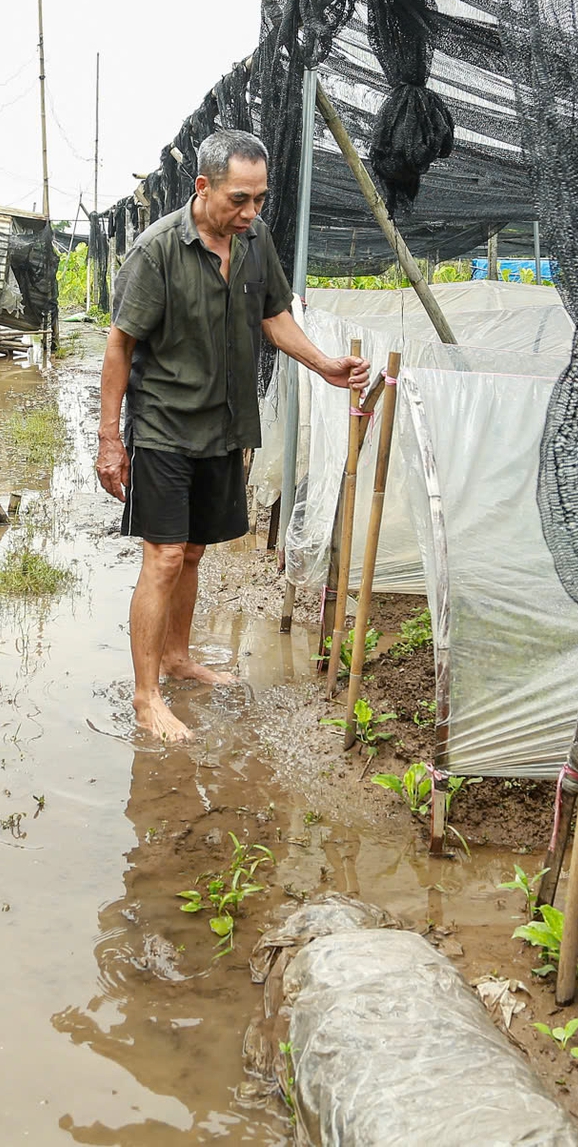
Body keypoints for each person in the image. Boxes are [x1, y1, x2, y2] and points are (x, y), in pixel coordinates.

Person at [98, 129, 367, 741]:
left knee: (194, 551)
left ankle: (177, 657)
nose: (250, 213)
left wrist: (324, 365)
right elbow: (121, 343)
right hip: (165, 425)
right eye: (239, 199)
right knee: (164, 556)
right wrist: (110, 438)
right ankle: (146, 698)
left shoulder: (255, 241)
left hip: (223, 425)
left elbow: (274, 316)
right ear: (203, 187)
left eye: (260, 200)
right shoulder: (157, 250)